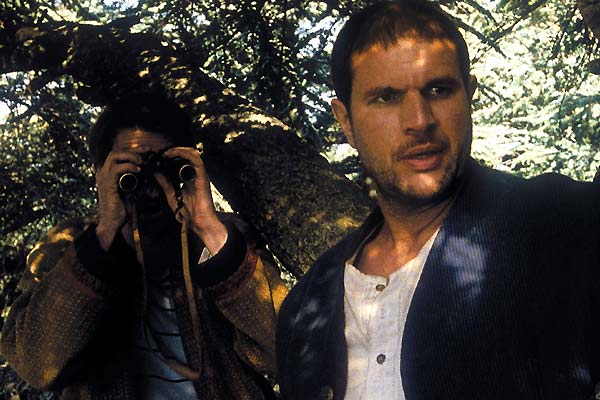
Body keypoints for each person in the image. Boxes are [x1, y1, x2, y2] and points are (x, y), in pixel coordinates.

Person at [276, 1, 600, 399]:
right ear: (346, 121)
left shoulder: (561, 224)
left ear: (468, 96)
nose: (419, 120)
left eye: (439, 90)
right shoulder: (305, 308)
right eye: (386, 97)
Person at [1, 94, 287, 399]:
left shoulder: (224, 239)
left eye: (165, 166)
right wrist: (103, 236)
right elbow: (38, 365)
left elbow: (284, 349)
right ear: (101, 173)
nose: (151, 186)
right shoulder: (67, 245)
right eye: (131, 169)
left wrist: (211, 232)